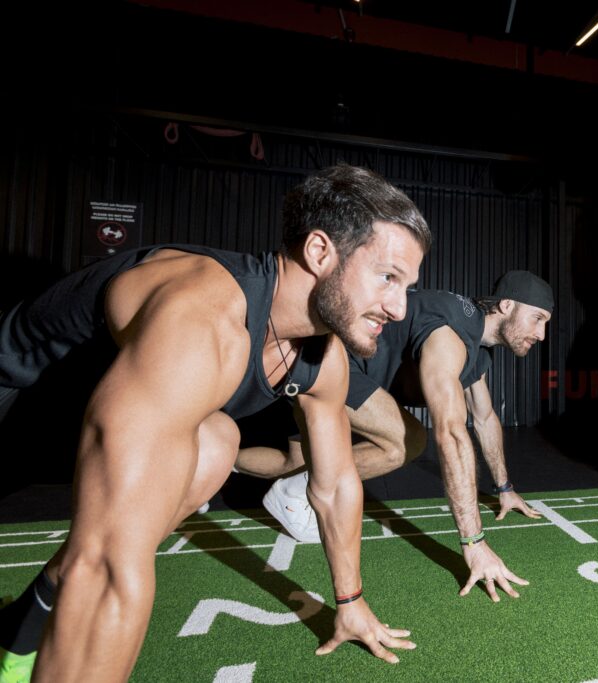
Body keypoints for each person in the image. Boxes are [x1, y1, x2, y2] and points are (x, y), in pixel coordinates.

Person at [0, 163, 430, 682]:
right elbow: (108, 569)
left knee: (214, 445)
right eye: (388, 277)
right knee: (111, 549)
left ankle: (21, 627)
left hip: (90, 420)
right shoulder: (203, 318)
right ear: (320, 252)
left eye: (407, 286)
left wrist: (350, 600)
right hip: (19, 408)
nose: (400, 308)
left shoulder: (322, 358)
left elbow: (335, 484)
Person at [235, 271, 552, 602]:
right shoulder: (451, 332)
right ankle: (299, 493)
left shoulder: (478, 350)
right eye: (538, 318)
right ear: (506, 306)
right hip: (328, 356)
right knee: (407, 440)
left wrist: (504, 488)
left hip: (333, 366)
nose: (542, 334)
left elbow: (484, 418)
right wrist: (474, 542)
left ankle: (219, 460)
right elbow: (451, 431)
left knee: (294, 462)